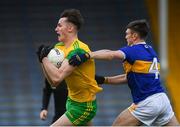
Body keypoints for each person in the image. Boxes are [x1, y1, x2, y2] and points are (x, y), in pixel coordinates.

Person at [68, 19, 180, 126]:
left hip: (147, 102)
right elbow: (129, 77)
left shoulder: (134, 50)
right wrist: (104, 80)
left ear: (134, 36)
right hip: (162, 100)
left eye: (127, 34)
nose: (125, 36)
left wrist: (87, 55)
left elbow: (111, 54)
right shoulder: (150, 50)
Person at [36, 9, 103, 126]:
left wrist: (44, 59)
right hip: (72, 102)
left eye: (59, 26)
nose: (55, 29)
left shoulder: (79, 50)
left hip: (84, 106)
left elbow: (57, 78)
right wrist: (42, 61)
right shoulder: (59, 48)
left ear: (70, 28)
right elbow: (53, 83)